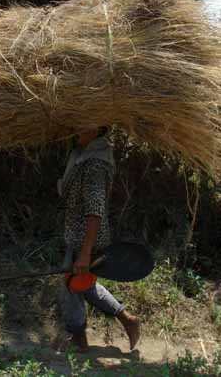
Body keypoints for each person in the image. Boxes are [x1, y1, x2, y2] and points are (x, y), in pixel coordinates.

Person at [57, 126, 140, 353]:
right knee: (84, 285)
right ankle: (128, 320)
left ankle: (78, 340)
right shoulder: (83, 156)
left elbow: (95, 210)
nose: (77, 129)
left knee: (71, 285)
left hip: (85, 238)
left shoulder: (94, 164)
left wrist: (85, 253)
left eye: (84, 126)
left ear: (96, 130)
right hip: (78, 234)